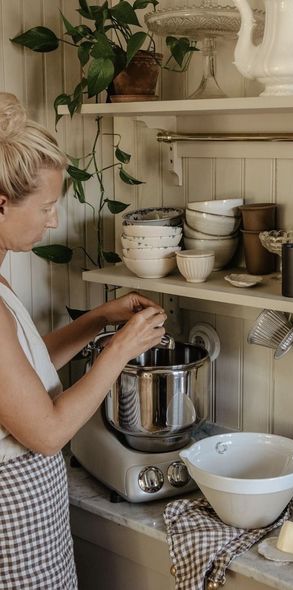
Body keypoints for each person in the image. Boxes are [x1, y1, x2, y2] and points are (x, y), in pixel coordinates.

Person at [0, 92, 167, 589]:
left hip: (35, 513)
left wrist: (99, 319)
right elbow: (46, 432)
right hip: (12, 521)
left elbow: (20, 379)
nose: (53, 220)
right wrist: (120, 350)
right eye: (48, 207)